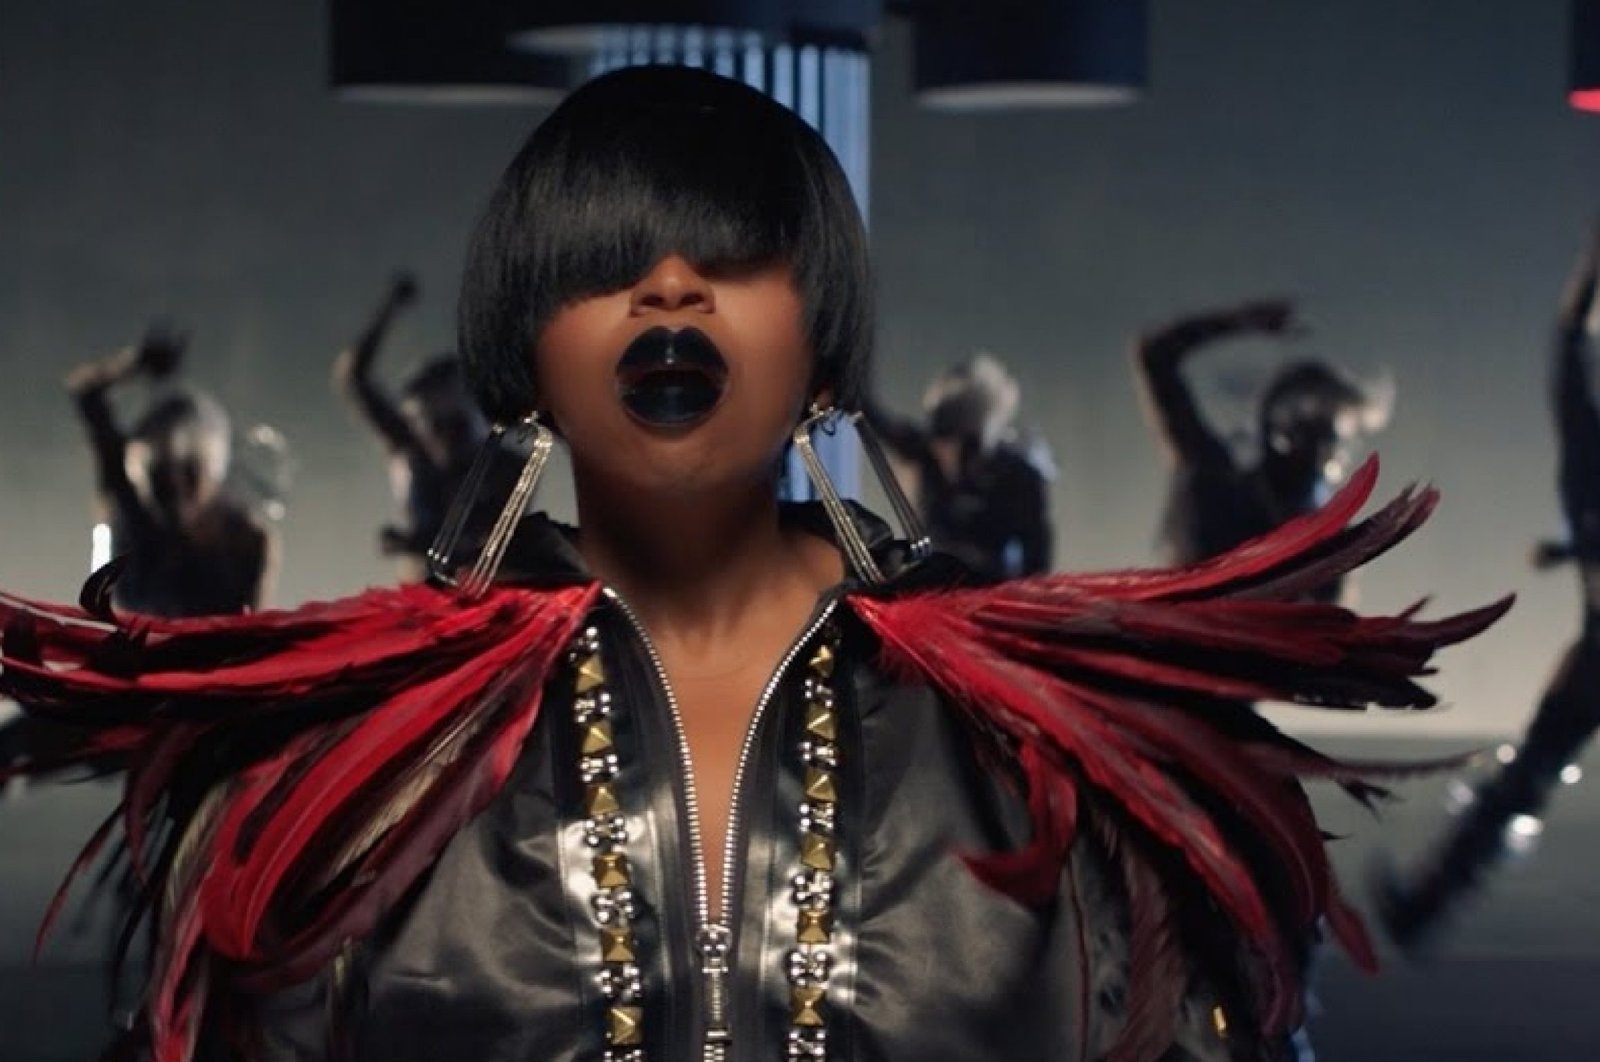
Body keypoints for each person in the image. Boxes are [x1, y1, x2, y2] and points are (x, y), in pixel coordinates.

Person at [0, 67, 1505, 1062]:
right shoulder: (336, 767)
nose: (670, 286)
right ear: (525, 351)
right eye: (604, 263)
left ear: (823, 346)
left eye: (732, 257)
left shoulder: (1052, 747)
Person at [1376, 224, 1600, 949]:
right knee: (1523, 782)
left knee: (1523, 782)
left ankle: (1426, 907)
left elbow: (1568, 356)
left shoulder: (1588, 461)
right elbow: (1568, 358)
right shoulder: (1589, 460)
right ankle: (1425, 907)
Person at [1133, 299, 1386, 603]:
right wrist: (1240, 321)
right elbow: (1156, 355)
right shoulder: (1215, 480)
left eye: (1330, 440)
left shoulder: (1328, 538)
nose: (1322, 453)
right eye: (1313, 436)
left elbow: (1332, 618)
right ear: (1280, 433)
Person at [65, 321, 277, 615]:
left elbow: (253, 622)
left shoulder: (244, 538)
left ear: (211, 468)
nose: (176, 484)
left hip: (213, 636)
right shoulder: (131, 506)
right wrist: (136, 363)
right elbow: (86, 395)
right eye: (163, 473)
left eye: (188, 471)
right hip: (139, 630)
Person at [333, 274, 513, 582]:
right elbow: (355, 378)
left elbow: (484, 541)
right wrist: (388, 310)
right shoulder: (411, 447)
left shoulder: (506, 466)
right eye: (436, 424)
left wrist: (411, 543)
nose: (447, 436)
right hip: (420, 590)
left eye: (455, 423)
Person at [864, 353, 1054, 579]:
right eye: (940, 441)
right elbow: (875, 419)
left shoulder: (1019, 476)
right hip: (935, 576)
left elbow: (1037, 557)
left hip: (990, 583)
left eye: (953, 443)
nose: (944, 454)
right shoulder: (927, 450)